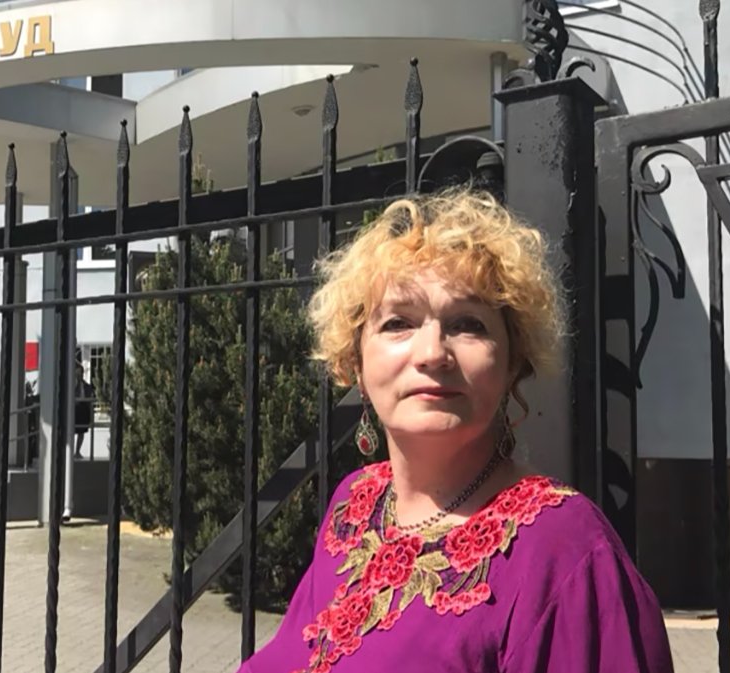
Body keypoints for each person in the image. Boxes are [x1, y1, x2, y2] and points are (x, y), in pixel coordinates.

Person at [238, 188, 673, 672]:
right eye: (398, 323)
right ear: (354, 362)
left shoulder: (565, 550)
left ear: (513, 363)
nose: (432, 354)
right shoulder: (355, 505)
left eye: (468, 324)